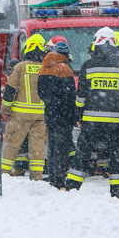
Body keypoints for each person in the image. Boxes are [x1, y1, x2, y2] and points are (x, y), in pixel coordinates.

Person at [65, 27, 119, 199]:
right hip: (116, 121)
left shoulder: (88, 66)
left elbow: (81, 95)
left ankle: (72, 188)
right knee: (117, 155)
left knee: (82, 154)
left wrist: (78, 115)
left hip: (91, 120)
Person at [0, 34, 48, 180]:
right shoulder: (46, 68)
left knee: (13, 144)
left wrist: (5, 110)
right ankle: (37, 176)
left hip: (19, 116)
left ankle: (5, 173)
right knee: (38, 147)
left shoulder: (20, 67)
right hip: (40, 116)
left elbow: (10, 90)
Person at [38, 39, 76, 189]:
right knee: (62, 147)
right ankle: (59, 179)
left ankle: (53, 175)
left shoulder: (43, 68)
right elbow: (70, 94)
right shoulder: (64, 69)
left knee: (53, 145)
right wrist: (73, 113)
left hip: (50, 112)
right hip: (63, 113)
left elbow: (41, 93)